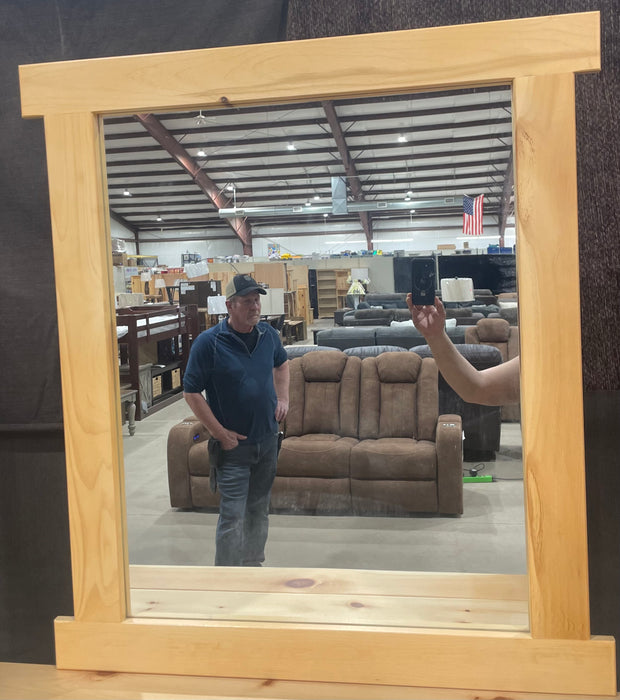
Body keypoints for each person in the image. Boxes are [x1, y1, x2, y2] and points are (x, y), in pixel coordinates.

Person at [183, 274, 290, 566]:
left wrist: (283, 399)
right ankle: (227, 580)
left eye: (257, 300)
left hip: (267, 442)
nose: (255, 306)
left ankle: (252, 567)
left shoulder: (269, 335)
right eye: (247, 301)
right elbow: (191, 392)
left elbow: (282, 364)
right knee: (232, 516)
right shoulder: (209, 343)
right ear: (229, 305)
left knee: (259, 510)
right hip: (233, 449)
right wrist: (219, 433)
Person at [406, 294, 520, 406]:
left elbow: (477, 389)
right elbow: (477, 389)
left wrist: (435, 335)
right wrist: (435, 335)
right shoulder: (533, 356)